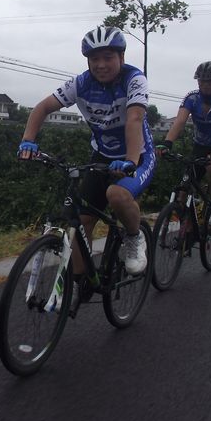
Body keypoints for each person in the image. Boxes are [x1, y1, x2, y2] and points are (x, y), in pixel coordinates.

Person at [17, 25, 156, 317]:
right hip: (101, 156)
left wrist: (130, 161)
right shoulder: (81, 83)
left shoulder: (134, 79)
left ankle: (134, 237)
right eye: (94, 59)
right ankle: (81, 281)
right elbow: (42, 108)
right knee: (80, 223)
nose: (101, 64)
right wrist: (28, 140)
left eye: (108, 57)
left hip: (138, 156)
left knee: (117, 195)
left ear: (121, 57)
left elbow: (134, 119)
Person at [156, 60, 211, 229]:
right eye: (201, 81)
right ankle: (186, 227)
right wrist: (167, 143)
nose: (205, 85)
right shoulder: (192, 98)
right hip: (200, 144)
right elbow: (179, 122)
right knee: (185, 185)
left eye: (210, 81)